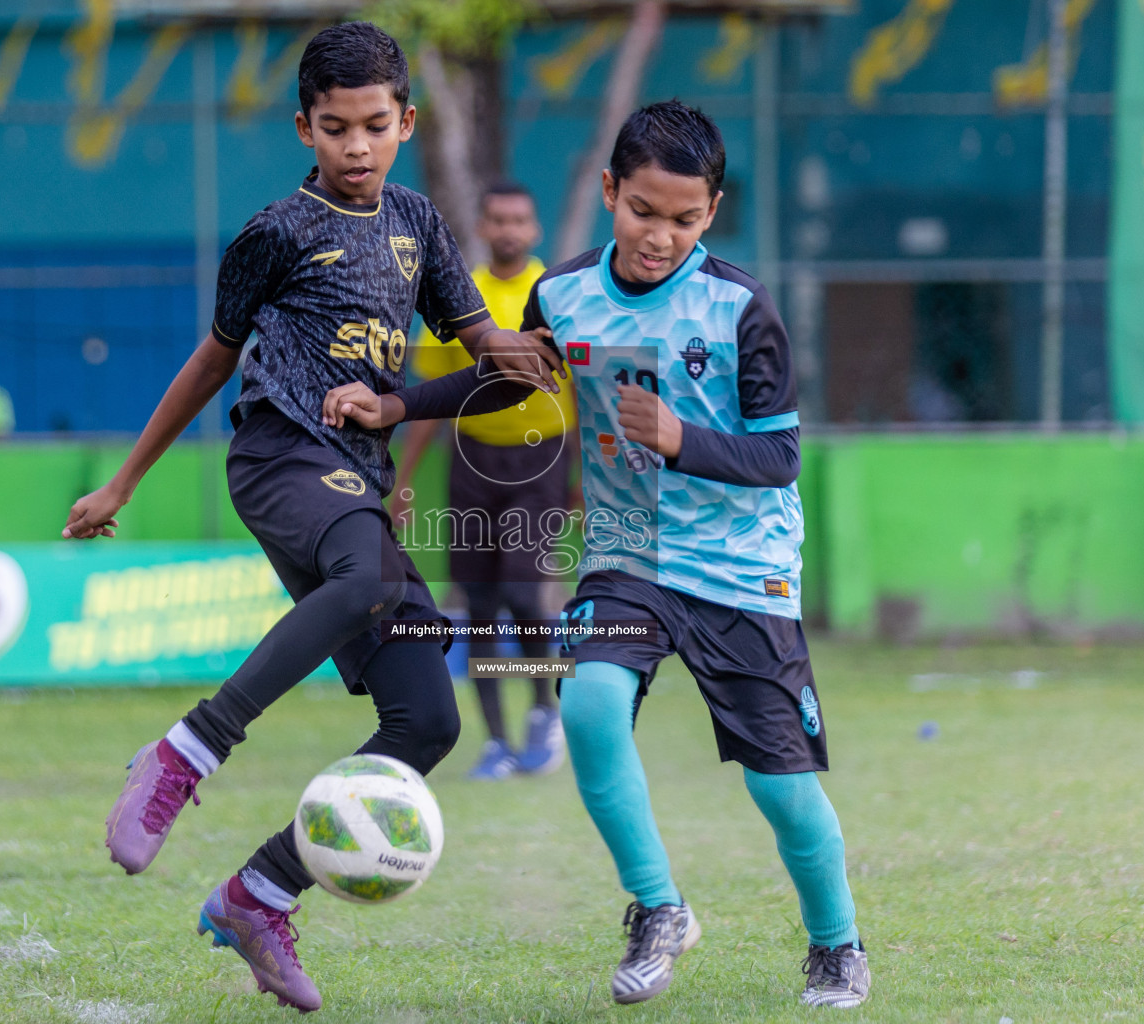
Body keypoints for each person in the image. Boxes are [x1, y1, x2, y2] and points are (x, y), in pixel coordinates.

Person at [60, 22, 561, 1014]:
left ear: (407, 122)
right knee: (369, 579)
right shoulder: (274, 233)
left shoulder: (420, 225)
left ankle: (259, 894)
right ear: (306, 128)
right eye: (336, 129)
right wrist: (123, 482)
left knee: (427, 719)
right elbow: (210, 361)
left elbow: (496, 380)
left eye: (376, 125)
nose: (358, 146)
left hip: (356, 480)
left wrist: (535, 349)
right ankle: (184, 754)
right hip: (279, 455)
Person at [323, 101, 869, 1010]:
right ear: (611, 192)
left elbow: (780, 458)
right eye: (644, 211)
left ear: (712, 212)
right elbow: (510, 375)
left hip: (743, 567)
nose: (660, 236)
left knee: (783, 792)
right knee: (588, 706)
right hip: (628, 557)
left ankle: (836, 943)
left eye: (684, 220)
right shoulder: (565, 292)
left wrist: (684, 439)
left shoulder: (740, 310)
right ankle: (658, 908)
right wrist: (397, 406)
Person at [393, 181, 575, 781]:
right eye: (497, 219)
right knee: (478, 605)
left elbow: (592, 392)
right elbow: (427, 402)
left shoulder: (559, 294)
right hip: (471, 464)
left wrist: (588, 475)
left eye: (519, 220)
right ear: (482, 226)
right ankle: (496, 742)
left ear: (535, 230)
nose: (508, 230)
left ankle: (545, 712)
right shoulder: (457, 298)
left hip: (542, 465)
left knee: (525, 596)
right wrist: (403, 483)